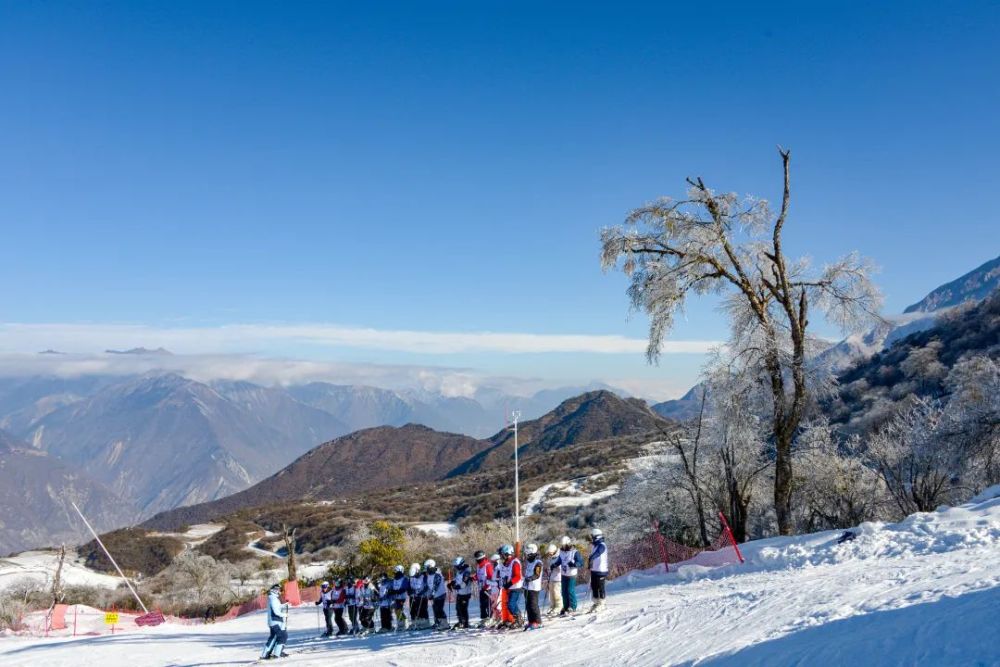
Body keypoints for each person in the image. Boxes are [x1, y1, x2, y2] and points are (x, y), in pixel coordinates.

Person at [497, 544, 524, 629]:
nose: (501, 556)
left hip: (515, 587)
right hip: (509, 587)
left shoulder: (514, 562)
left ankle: (519, 620)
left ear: (507, 553)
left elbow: (517, 576)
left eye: (502, 554)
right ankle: (510, 620)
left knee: (511, 604)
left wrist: (509, 583)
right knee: (507, 605)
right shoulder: (505, 563)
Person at [260, 583, 289, 660]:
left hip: (275, 621)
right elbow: (276, 612)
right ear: (275, 590)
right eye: (279, 590)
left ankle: (266, 654)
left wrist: (284, 605)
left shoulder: (273, 597)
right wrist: (284, 615)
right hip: (275, 621)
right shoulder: (273, 598)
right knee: (283, 636)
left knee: (274, 637)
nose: (280, 591)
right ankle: (277, 653)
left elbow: (278, 607)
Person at [557, 536, 583, 616]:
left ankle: (572, 606)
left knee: (570, 590)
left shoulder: (575, 552)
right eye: (562, 545)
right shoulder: (561, 552)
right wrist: (555, 564)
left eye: (564, 545)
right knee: (564, 592)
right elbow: (559, 560)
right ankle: (566, 606)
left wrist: (574, 564)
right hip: (564, 574)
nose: (563, 547)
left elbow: (581, 563)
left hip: (571, 574)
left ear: (568, 544)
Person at [522, 543, 544, 630]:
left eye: (528, 554)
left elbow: (537, 574)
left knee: (533, 605)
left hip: (534, 587)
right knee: (528, 605)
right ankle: (531, 621)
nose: (527, 556)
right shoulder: (529, 562)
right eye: (527, 554)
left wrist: (530, 578)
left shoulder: (538, 563)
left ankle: (538, 622)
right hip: (527, 587)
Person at [424, 558, 449, 630]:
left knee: (439, 609)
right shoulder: (429, 575)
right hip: (435, 595)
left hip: (440, 594)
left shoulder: (437, 574)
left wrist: (432, 594)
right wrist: (428, 593)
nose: (426, 570)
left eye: (427, 568)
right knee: (435, 609)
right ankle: (437, 622)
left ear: (431, 566)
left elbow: (436, 586)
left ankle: (444, 624)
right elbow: (429, 586)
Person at [449, 556, 473, 629]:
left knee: (463, 608)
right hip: (460, 593)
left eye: (457, 566)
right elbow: (456, 579)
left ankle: (465, 623)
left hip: (465, 593)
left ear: (461, 565)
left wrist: (457, 587)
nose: (456, 568)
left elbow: (464, 583)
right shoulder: (459, 571)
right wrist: (452, 583)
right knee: (458, 608)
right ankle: (461, 621)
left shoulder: (466, 571)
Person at [588, 528, 609, 613]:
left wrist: (591, 558)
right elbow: (592, 555)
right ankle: (596, 603)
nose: (592, 538)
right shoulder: (594, 546)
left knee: (600, 587)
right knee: (594, 586)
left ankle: (602, 603)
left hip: (601, 570)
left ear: (597, 536)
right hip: (594, 570)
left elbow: (598, 553)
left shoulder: (602, 545)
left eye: (593, 536)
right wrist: (589, 563)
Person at [473, 550, 495, 628]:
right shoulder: (479, 566)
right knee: (482, 605)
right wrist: (473, 578)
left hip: (488, 589)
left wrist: (486, 587)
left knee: (488, 604)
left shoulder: (487, 565)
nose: (477, 561)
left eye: (478, 559)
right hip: (481, 588)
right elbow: (478, 575)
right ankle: (484, 618)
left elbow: (490, 577)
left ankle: (491, 618)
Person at [407, 563, 428, 630]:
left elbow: (427, 586)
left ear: (417, 570)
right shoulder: (411, 577)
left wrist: (423, 592)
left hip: (422, 596)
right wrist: (409, 591)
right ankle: (414, 622)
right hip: (413, 596)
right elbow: (409, 586)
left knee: (422, 609)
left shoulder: (423, 576)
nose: (413, 576)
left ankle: (424, 623)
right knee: (412, 610)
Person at [544, 544, 563, 617]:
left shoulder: (559, 557)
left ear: (554, 551)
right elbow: (549, 566)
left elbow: (560, 568)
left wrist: (555, 566)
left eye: (550, 552)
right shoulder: (551, 558)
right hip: (552, 578)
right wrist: (548, 570)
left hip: (558, 578)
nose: (549, 554)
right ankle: (552, 606)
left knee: (556, 593)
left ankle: (559, 607)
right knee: (551, 594)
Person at [391, 564, 410, 630]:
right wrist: (392, 591)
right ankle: (400, 622)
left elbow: (405, 587)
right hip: (396, 597)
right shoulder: (395, 579)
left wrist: (399, 591)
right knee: (396, 610)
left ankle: (405, 621)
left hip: (402, 596)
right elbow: (393, 586)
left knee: (399, 609)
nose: (395, 572)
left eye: (396, 570)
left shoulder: (404, 578)